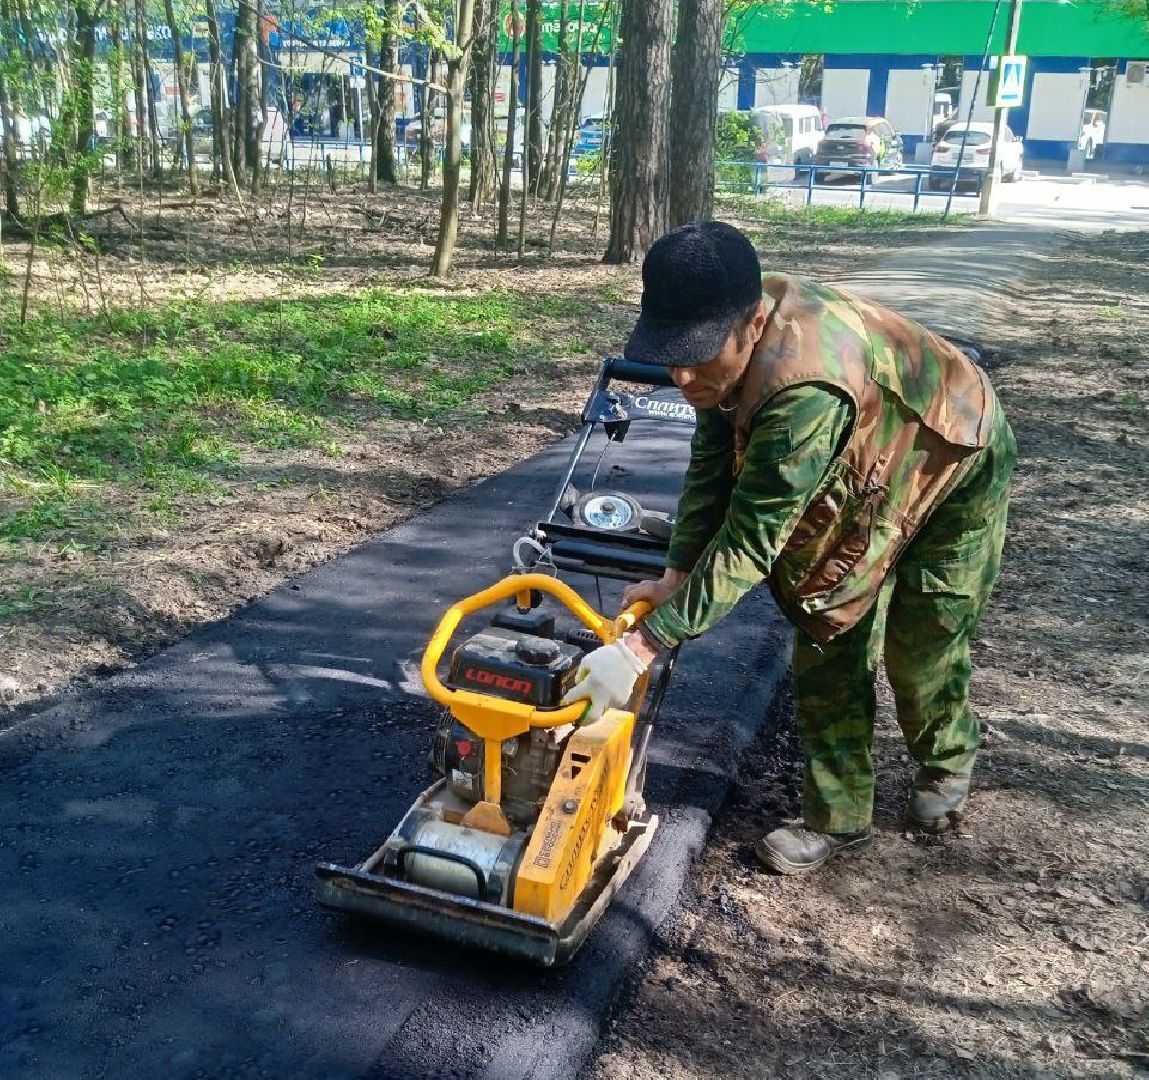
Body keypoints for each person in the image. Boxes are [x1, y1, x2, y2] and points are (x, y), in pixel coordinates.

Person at [561, 221, 1016, 876]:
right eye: (671, 352)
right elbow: (711, 469)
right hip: (859, 456)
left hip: (950, 462)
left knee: (921, 646)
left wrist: (642, 645)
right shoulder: (718, 346)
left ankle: (946, 764)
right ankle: (840, 818)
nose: (682, 375)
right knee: (826, 616)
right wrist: (675, 574)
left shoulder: (801, 386)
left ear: (751, 324)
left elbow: (750, 538)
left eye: (697, 355)